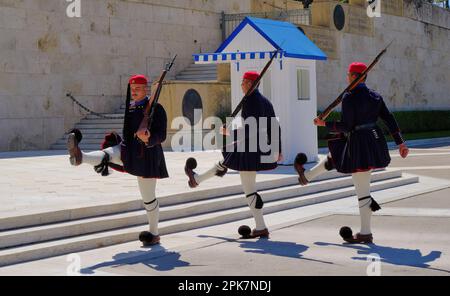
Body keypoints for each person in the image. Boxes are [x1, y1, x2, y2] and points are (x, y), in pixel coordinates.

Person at [294, 62, 409, 244]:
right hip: (373, 140)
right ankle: (306, 177)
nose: (347, 78)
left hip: (359, 142)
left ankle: (365, 232)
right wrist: (400, 142)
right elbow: (389, 118)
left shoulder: (349, 97)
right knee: (334, 157)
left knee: (362, 188)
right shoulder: (375, 97)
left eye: (349, 75)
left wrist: (324, 124)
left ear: (356, 77)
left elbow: (346, 125)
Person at [67, 74, 168, 246]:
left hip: (147, 155)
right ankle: (81, 157)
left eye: (138, 89)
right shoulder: (131, 108)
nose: (134, 92)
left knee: (148, 198)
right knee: (109, 153)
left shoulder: (157, 109)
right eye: (132, 89)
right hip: (129, 149)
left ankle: (154, 232)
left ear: (146, 89)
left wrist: (149, 137)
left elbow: (161, 135)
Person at [184, 71, 282, 239]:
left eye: (244, 82)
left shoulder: (252, 100)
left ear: (251, 83)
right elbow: (274, 126)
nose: (241, 84)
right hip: (254, 147)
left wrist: (230, 132)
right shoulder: (264, 101)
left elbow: (252, 128)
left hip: (250, 148)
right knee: (227, 161)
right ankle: (197, 179)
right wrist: (278, 148)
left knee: (249, 190)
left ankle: (261, 227)